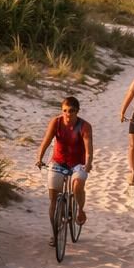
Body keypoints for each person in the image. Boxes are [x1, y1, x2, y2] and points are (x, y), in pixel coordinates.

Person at [36, 96, 94, 244]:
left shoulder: (85, 126)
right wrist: (39, 158)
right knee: (54, 199)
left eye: (72, 111)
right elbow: (46, 141)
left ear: (77, 112)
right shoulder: (56, 122)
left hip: (78, 162)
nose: (68, 114)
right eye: (65, 111)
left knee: (77, 186)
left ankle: (80, 210)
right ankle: (55, 232)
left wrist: (88, 163)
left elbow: (89, 149)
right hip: (58, 161)